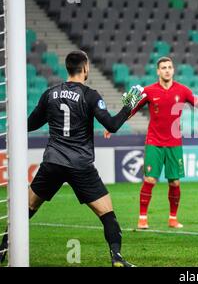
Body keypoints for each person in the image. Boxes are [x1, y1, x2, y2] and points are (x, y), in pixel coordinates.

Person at [0, 51, 141, 267]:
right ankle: (117, 258)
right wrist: (129, 105)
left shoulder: (49, 94)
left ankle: (2, 251)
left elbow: (29, 125)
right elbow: (111, 125)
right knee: (107, 215)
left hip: (53, 163)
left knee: (24, 210)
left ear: (67, 68)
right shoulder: (90, 95)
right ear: (85, 68)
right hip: (80, 165)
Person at [128, 57, 198, 230]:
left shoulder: (182, 91)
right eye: (163, 67)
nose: (167, 70)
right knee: (150, 179)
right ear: (158, 71)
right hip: (154, 142)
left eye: (170, 67)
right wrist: (112, 126)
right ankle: (142, 218)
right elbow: (131, 111)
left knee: (175, 183)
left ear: (173, 70)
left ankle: (172, 218)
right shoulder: (148, 91)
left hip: (174, 143)